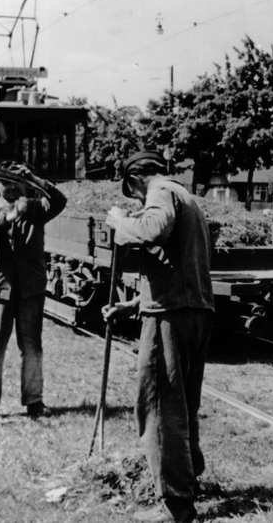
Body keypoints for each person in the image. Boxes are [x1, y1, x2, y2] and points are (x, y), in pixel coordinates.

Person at [103, 150, 214, 523]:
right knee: (184, 405)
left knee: (159, 408)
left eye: (133, 196)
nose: (136, 202)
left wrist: (121, 221)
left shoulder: (160, 192)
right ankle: (189, 479)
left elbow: (153, 230)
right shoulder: (187, 197)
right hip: (194, 311)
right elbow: (176, 262)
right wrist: (133, 304)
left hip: (171, 315)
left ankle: (176, 505)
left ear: (136, 180)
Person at [0, 161, 67, 424]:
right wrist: (9, 218)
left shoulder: (36, 208)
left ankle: (34, 402)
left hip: (30, 290)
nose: (11, 187)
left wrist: (35, 177)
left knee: (33, 348)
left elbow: (59, 200)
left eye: (16, 182)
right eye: (5, 182)